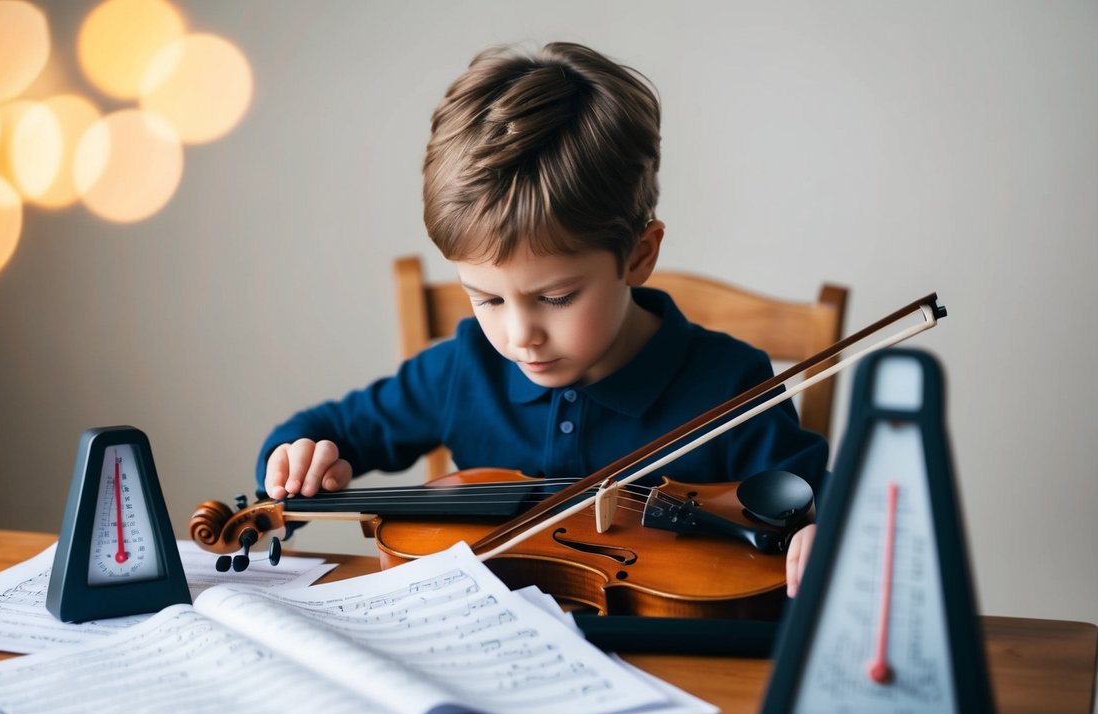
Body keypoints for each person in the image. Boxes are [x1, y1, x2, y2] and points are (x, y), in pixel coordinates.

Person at [257, 42, 823, 596]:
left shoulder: (729, 385)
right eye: (487, 299)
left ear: (639, 255)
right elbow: (325, 429)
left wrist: (822, 532)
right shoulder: (463, 369)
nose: (519, 335)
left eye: (555, 298)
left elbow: (815, 502)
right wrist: (298, 461)